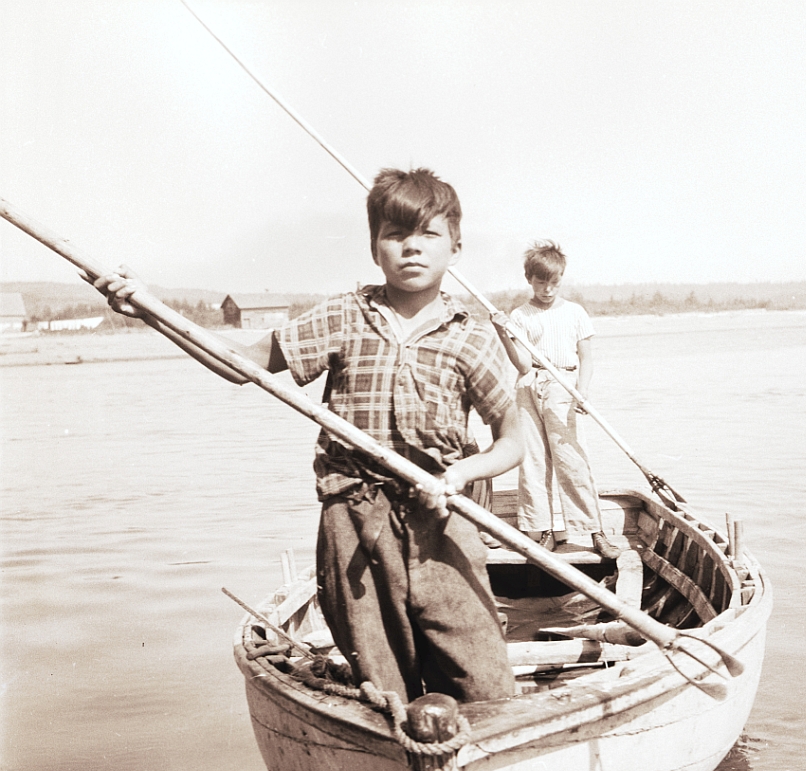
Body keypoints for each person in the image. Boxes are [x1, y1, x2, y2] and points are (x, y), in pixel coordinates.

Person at [92, 167, 522, 705]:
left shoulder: (473, 338)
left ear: (456, 249)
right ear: (374, 249)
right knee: (384, 686)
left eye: (429, 235)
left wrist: (460, 474)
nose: (412, 248)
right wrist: (151, 313)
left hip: (442, 519)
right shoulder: (345, 316)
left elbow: (512, 441)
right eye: (395, 235)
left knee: (483, 680)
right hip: (354, 521)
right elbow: (239, 365)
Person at [494, 241, 621, 560]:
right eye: (541, 282)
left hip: (564, 384)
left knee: (571, 460)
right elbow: (523, 365)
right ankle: (545, 529)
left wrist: (583, 389)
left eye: (554, 282)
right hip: (529, 386)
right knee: (534, 461)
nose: (548, 289)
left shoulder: (575, 312)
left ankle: (595, 532)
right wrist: (502, 333)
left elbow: (586, 357)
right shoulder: (519, 316)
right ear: (529, 279)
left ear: (561, 279)